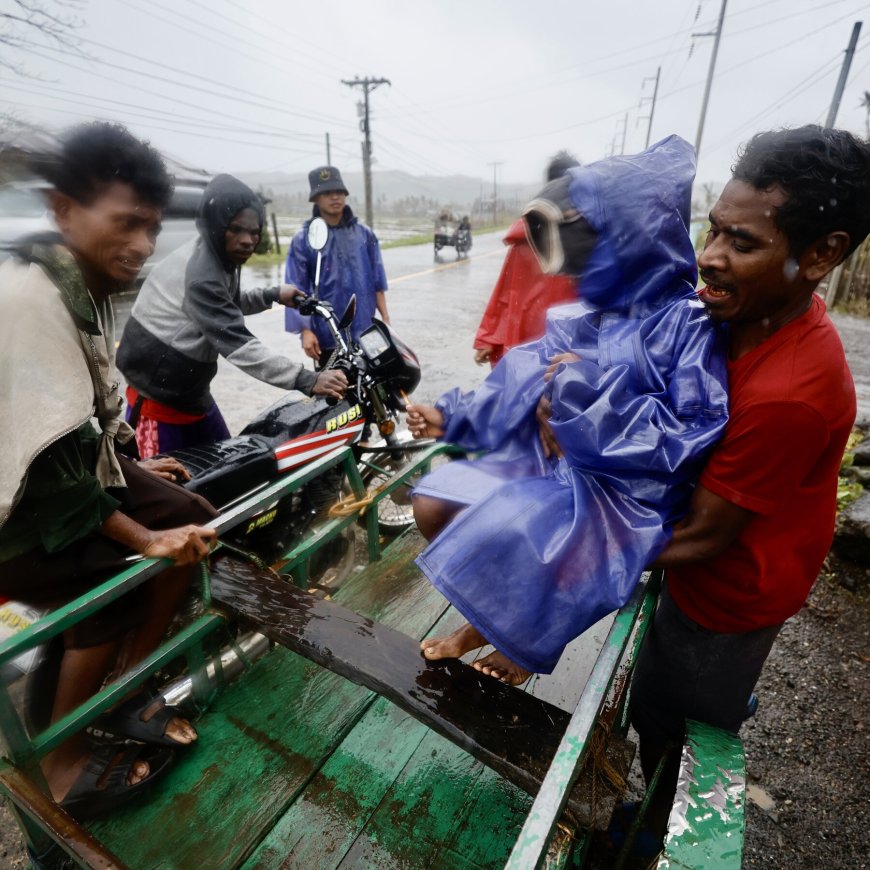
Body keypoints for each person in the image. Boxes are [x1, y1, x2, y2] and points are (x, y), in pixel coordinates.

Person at [406, 136, 729, 686]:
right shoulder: (592, 313)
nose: (577, 278)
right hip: (568, 465)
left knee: (529, 526)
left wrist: (584, 392)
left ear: (632, 245)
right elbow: (523, 373)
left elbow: (691, 430)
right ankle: (499, 611)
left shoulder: (687, 325)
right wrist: (453, 415)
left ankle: (514, 634)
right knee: (435, 500)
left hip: (630, 491)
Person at [625, 125, 870, 846]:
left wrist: (575, 549)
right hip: (728, 552)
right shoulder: (756, 314)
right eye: (712, 229)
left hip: (732, 595)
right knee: (667, 694)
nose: (710, 257)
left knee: (671, 721)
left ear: (822, 253)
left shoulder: (791, 391)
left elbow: (700, 536)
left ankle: (654, 831)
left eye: (743, 242)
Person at [0, 122, 220, 818]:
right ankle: (59, 765)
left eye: (152, 227)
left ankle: (129, 685)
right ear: (64, 209)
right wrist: (144, 540)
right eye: (126, 223)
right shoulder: (28, 302)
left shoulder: (79, 281)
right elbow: (55, 479)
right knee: (116, 581)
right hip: (15, 509)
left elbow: (87, 409)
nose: (143, 245)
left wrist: (128, 460)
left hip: (54, 481)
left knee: (195, 520)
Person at [117, 173, 347, 458]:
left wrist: (275, 294)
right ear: (216, 226)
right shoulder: (202, 275)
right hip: (158, 402)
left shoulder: (220, 256)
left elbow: (226, 304)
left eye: (254, 232)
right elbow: (239, 346)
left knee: (232, 469)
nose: (247, 240)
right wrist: (307, 379)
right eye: (236, 229)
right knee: (168, 494)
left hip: (192, 398)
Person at [473, 151, 581, 367]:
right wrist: (488, 337)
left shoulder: (527, 236)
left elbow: (503, 294)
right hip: (563, 349)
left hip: (530, 348)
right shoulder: (582, 240)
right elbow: (506, 291)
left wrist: (489, 336)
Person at [283, 165, 389, 368]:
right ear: (315, 198)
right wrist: (306, 331)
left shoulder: (364, 235)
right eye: (327, 193)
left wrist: (385, 319)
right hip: (328, 336)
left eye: (339, 192)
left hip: (367, 332)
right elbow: (295, 289)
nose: (335, 197)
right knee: (337, 394)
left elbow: (378, 282)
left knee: (381, 392)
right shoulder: (304, 240)